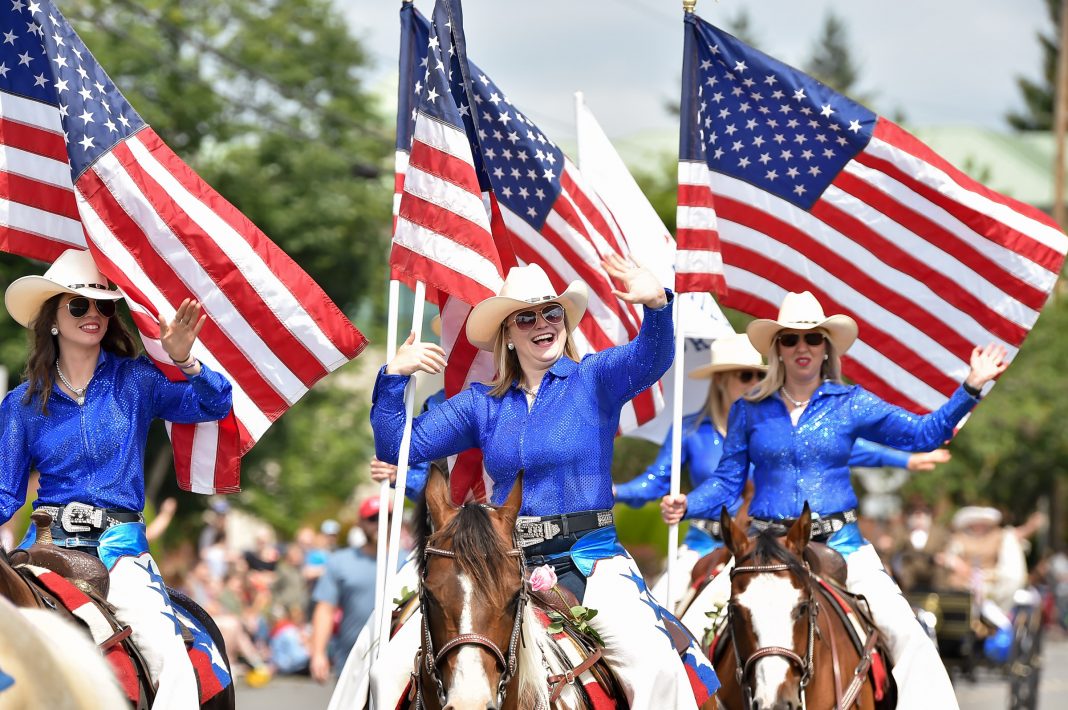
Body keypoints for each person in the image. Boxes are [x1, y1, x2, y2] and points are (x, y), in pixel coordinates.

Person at [370, 259, 719, 709]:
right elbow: (397, 446)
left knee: (654, 665)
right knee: (387, 671)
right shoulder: (482, 404)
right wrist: (395, 377)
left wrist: (655, 306)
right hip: (499, 563)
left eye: (551, 313)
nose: (542, 324)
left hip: (590, 560)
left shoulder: (594, 378)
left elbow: (652, 358)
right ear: (507, 336)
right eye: (526, 317)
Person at [660, 290, 1006, 710]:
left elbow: (924, 435)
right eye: (789, 339)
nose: (801, 347)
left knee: (908, 635)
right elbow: (727, 484)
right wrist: (687, 503)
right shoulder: (749, 410)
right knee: (681, 636)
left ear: (826, 347)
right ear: (777, 350)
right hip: (765, 551)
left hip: (841, 545)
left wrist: (970, 386)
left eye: (812, 339)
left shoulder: (851, 403)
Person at [0, 249, 234, 708]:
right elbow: (5, 492)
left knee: (170, 660)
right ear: (51, 318)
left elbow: (214, 405)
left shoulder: (137, 381)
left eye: (104, 306)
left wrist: (186, 362)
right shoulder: (20, 404)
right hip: (44, 548)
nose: (94, 314)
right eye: (79, 304)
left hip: (120, 553)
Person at [616, 333, 950, 610]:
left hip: (774, 539)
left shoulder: (775, 419)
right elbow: (662, 481)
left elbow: (840, 449)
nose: (755, 382)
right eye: (745, 376)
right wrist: (621, 492)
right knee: (663, 614)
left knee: (899, 620)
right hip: (709, 541)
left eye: (760, 375)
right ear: (721, 380)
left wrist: (904, 461)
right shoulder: (691, 431)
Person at [309, 496, 386, 683]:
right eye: (372, 518)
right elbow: (325, 610)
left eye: (387, 516)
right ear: (360, 523)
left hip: (396, 664)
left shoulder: (410, 561)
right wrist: (318, 653)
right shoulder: (340, 561)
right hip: (352, 662)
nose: (380, 523)